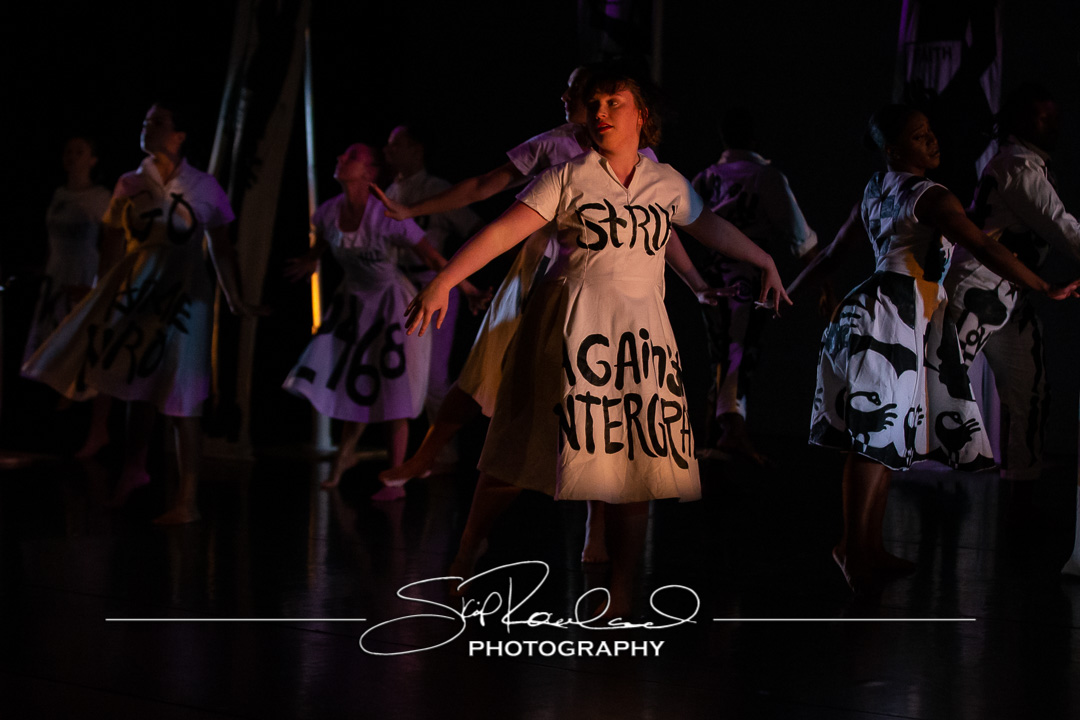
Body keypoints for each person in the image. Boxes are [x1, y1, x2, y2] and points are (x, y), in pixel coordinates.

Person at [404, 64, 790, 617]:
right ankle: (466, 553)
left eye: (614, 103)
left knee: (635, 464)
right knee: (518, 450)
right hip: (569, 329)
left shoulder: (665, 181)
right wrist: (443, 281)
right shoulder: (568, 176)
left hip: (638, 339)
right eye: (594, 104)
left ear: (642, 116)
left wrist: (764, 259)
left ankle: (621, 591)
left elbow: (708, 226)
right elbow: (501, 231)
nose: (601, 112)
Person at [803, 104, 1078, 592]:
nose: (932, 141)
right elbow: (986, 247)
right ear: (894, 150)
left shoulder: (876, 187)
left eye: (930, 131)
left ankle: (869, 546)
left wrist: (791, 290)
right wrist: (1043, 285)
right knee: (873, 440)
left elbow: (833, 254)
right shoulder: (930, 196)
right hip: (891, 317)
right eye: (918, 136)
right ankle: (852, 547)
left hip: (888, 313)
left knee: (886, 438)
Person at [22, 102, 261, 523]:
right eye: (145, 122)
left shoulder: (203, 185)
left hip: (187, 299)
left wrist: (234, 298)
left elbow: (222, 247)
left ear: (179, 135)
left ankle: (187, 499)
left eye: (158, 123)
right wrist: (100, 296)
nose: (147, 127)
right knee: (139, 382)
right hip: (139, 294)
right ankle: (134, 468)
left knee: (182, 393)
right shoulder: (130, 183)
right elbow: (112, 245)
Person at [282, 143, 487, 492]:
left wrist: (468, 289)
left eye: (351, 158)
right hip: (355, 305)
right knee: (353, 382)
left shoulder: (385, 216)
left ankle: (397, 478)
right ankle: (344, 459)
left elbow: (432, 257)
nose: (340, 159)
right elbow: (324, 244)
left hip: (392, 304)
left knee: (395, 385)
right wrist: (309, 259)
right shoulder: (329, 212)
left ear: (369, 172)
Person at [944, 83, 1080, 497]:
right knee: (939, 382)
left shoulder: (1024, 163)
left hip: (1008, 296)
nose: (1053, 124)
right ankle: (890, 477)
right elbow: (1061, 226)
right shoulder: (1018, 166)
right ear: (1020, 120)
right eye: (1043, 117)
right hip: (978, 289)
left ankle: (1021, 485)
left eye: (1055, 117)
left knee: (1029, 393)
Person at [691, 108, 818, 462]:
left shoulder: (707, 177)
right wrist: (825, 283)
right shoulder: (764, 176)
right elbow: (800, 236)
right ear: (753, 138)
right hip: (748, 275)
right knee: (738, 348)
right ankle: (731, 430)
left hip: (713, 273)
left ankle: (719, 430)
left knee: (722, 349)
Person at [381, 124, 483, 473]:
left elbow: (473, 227)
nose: (389, 151)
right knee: (402, 373)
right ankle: (414, 454)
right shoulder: (390, 191)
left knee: (434, 376)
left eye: (397, 144)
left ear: (417, 149)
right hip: (398, 287)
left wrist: (466, 280)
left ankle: (444, 453)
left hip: (433, 284)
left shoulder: (436, 190)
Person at [22, 136, 111, 368]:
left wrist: (100, 284)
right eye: (69, 151)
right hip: (55, 273)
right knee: (47, 340)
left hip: (82, 271)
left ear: (93, 159)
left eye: (79, 152)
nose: (72, 156)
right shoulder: (59, 193)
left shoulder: (100, 197)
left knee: (73, 338)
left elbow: (109, 242)